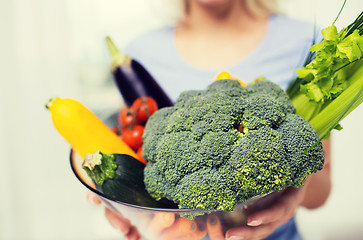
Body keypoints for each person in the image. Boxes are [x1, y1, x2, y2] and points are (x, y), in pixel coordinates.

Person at [89, 0, 332, 239]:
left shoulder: (304, 40)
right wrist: (126, 209)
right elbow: (133, 153)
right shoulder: (138, 54)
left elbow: (322, 188)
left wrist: (294, 188)